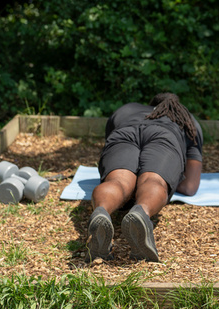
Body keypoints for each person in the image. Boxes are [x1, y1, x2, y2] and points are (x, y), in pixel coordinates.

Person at [87, 93, 203, 262]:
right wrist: (168, 177)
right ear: (177, 107)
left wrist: (133, 181)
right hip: (164, 137)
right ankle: (142, 211)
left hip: (124, 133)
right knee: (154, 181)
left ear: (150, 103)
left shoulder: (125, 110)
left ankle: (101, 211)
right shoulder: (187, 119)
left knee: (117, 181)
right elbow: (189, 186)